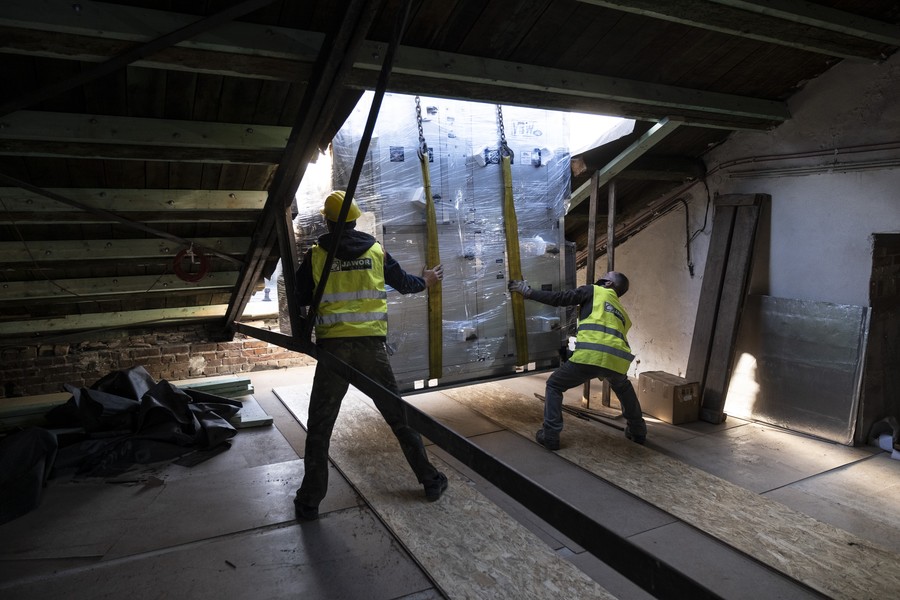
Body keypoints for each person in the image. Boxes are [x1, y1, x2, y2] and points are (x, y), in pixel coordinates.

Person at [292, 190, 448, 520]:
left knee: (320, 427)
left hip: (334, 348)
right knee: (398, 418)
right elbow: (405, 284)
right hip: (370, 349)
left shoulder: (317, 254)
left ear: (327, 221)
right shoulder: (376, 250)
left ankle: (309, 501)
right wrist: (428, 280)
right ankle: (430, 480)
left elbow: (300, 296)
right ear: (355, 219)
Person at [507, 271, 647, 450]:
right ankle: (638, 431)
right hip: (617, 361)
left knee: (554, 385)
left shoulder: (594, 291)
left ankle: (550, 435)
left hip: (591, 355)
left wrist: (528, 292)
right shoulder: (621, 312)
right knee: (624, 389)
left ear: (608, 284)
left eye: (604, 277)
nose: (600, 279)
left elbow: (561, 298)